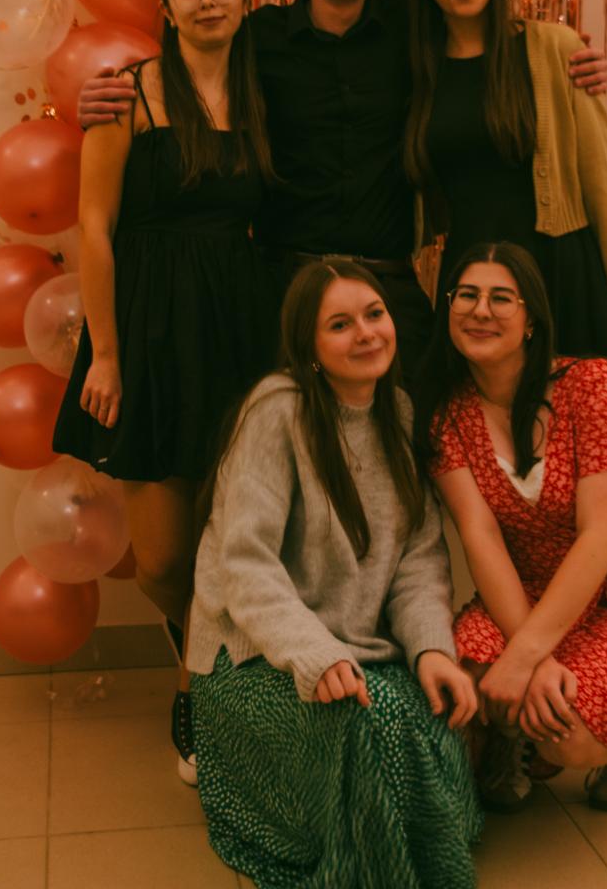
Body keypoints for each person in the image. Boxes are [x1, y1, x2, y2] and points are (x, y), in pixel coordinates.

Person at [77, 0, 607, 377]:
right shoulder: (257, 38)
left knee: (423, 418)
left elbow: (490, 37)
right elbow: (189, 67)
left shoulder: (414, 28)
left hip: (387, 285)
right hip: (283, 286)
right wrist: (103, 98)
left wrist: (567, 56)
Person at [53, 0, 278, 782]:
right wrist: (106, 355)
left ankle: (198, 693)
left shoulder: (264, 91)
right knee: (163, 558)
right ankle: (198, 642)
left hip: (239, 327)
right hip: (148, 330)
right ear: (167, 7)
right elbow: (94, 228)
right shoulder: (128, 95)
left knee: (239, 532)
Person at [187, 259, 483, 888]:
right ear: (310, 347)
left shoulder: (398, 412)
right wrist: (315, 655)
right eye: (341, 324)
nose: (367, 333)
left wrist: (432, 649)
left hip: (355, 647)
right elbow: (247, 563)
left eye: (374, 315)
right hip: (253, 655)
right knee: (366, 725)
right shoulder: (278, 410)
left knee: (428, 711)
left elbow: (419, 559)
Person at [414, 241, 607, 814]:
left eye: (501, 298)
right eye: (466, 295)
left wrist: (522, 660)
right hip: (524, 594)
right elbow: (481, 537)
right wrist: (530, 657)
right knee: (463, 681)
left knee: (568, 731)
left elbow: (600, 539)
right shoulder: (447, 416)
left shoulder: (594, 385)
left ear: (531, 319)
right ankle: (515, 736)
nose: (480, 310)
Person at [405, 0, 607, 386]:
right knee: (474, 425)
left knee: (572, 425)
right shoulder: (417, 69)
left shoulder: (553, 48)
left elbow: (600, 180)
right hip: (471, 286)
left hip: (559, 276)